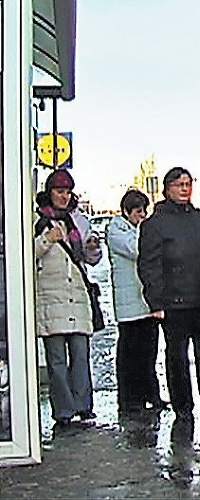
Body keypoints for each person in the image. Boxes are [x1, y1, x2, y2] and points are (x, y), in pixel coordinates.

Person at [137, 167, 200, 425]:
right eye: (179, 184)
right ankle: (183, 407)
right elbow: (149, 265)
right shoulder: (155, 224)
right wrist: (155, 301)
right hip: (174, 303)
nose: (184, 189)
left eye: (188, 183)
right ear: (167, 188)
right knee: (177, 357)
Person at [33, 169, 102, 427]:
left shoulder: (78, 221)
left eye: (67, 191)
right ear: (49, 193)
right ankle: (63, 411)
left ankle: (84, 406)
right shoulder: (37, 220)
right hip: (51, 297)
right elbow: (27, 254)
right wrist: (47, 240)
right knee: (57, 360)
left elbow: (90, 259)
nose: (64, 196)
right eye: (59, 191)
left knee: (81, 354)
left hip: (77, 296)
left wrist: (93, 248)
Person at [107, 189, 168, 414]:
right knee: (129, 353)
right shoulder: (116, 231)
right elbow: (138, 249)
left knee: (149, 352)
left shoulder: (137, 229)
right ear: (126, 212)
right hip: (128, 304)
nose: (142, 215)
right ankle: (130, 399)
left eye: (144, 211)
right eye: (137, 212)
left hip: (146, 301)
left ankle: (151, 394)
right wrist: (147, 229)